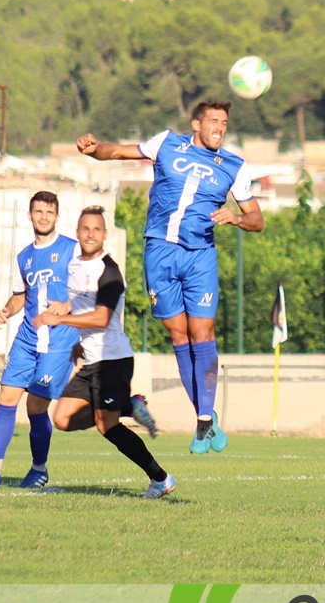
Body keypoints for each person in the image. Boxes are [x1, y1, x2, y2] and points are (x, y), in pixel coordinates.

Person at [76, 101, 264, 454]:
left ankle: (203, 421)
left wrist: (236, 218)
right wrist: (93, 149)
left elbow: (257, 220)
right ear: (196, 123)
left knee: (202, 331)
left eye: (224, 122)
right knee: (179, 334)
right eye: (213, 121)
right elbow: (115, 151)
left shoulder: (235, 167)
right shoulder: (166, 143)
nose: (220, 127)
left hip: (200, 256)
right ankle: (207, 416)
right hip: (160, 252)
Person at [35, 206, 174, 498]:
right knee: (62, 419)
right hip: (91, 359)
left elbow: (101, 317)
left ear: (104, 235)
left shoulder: (109, 272)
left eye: (96, 229)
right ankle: (128, 406)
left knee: (106, 427)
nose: (90, 234)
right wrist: (73, 327)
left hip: (113, 360)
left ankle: (160, 479)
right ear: (77, 232)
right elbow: (82, 301)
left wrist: (60, 319)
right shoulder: (74, 266)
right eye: (85, 228)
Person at [0, 192, 79, 489]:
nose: (43, 217)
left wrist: (68, 306)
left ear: (57, 216)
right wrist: (5, 311)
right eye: (38, 211)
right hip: (27, 337)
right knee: (6, 397)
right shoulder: (24, 256)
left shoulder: (72, 251)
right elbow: (20, 295)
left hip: (60, 340)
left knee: (36, 404)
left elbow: (92, 290)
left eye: (49, 212)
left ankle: (39, 470)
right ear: (30, 215)